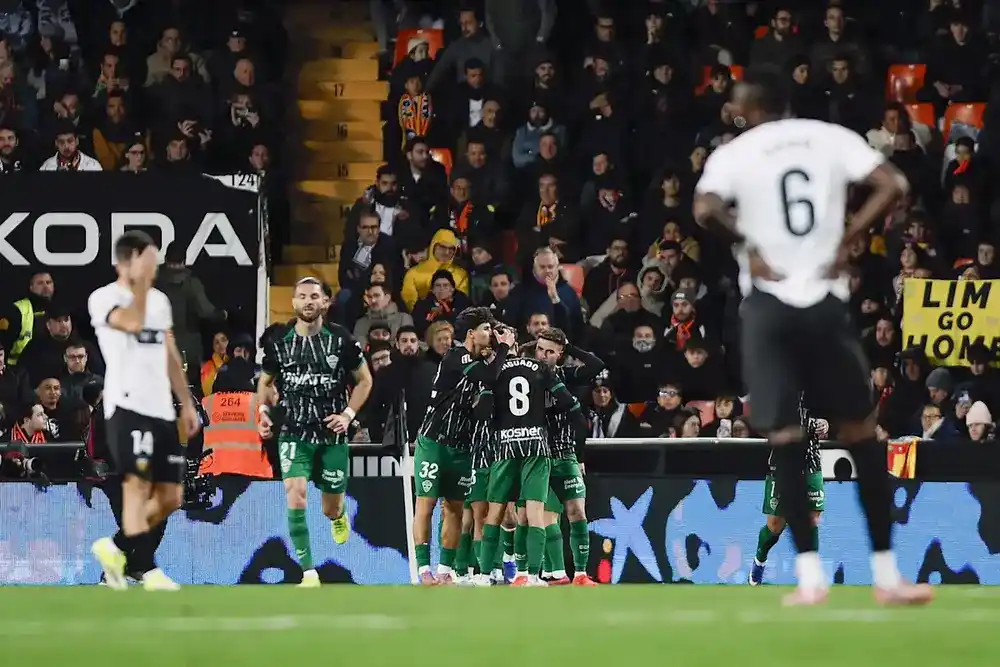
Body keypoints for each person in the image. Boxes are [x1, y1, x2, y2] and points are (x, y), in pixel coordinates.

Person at [692, 74, 932, 606]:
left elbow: (705, 209)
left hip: (768, 303)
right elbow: (894, 183)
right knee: (861, 432)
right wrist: (848, 238)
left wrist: (747, 245)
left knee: (784, 436)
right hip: (824, 297)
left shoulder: (737, 151)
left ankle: (808, 580)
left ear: (749, 109)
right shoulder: (828, 137)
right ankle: (888, 575)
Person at [88, 230, 200, 591]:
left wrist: (186, 402)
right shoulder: (103, 298)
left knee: (171, 497)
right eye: (147, 261)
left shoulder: (160, 301)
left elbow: (169, 352)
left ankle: (116, 548)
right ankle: (146, 569)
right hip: (126, 404)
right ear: (125, 262)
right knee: (138, 487)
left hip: (161, 407)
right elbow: (133, 323)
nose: (154, 269)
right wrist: (140, 286)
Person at [256, 277, 373, 587]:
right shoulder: (279, 342)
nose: (308, 301)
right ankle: (308, 572)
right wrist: (263, 413)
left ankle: (338, 516)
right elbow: (265, 383)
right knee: (295, 495)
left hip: (331, 435)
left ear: (325, 302)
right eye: (302, 296)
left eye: (314, 296)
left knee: (330, 508)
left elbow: (365, 380)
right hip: (293, 432)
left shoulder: (341, 340)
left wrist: (347, 415)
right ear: (294, 302)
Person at [475, 331, 586, 587]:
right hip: (536, 444)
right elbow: (569, 404)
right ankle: (534, 576)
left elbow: (482, 413)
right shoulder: (540, 369)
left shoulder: (494, 372)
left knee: (496, 513)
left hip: (505, 446)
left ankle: (484, 575)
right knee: (535, 513)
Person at [412, 307, 512, 585]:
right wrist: (503, 349)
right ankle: (423, 569)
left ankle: (445, 570)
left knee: (454, 508)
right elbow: (487, 376)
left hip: (463, 447)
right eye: (486, 329)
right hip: (434, 442)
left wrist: (501, 351)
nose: (491, 334)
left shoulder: (487, 363)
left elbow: (492, 384)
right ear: (471, 334)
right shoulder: (456, 356)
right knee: (426, 503)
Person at [529, 327, 602, 586]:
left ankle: (580, 573)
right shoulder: (526, 377)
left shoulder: (564, 376)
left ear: (559, 355)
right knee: (549, 516)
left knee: (577, 512)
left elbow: (596, 365)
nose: (543, 355)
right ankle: (558, 573)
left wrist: (569, 346)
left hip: (566, 454)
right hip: (539, 456)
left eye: (550, 351)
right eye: (540, 349)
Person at [749, 393, 830, 585]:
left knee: (812, 518)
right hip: (782, 461)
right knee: (775, 526)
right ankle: (759, 561)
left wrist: (826, 424)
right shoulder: (775, 386)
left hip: (811, 462)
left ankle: (811, 574)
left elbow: (830, 416)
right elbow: (761, 422)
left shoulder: (817, 387)